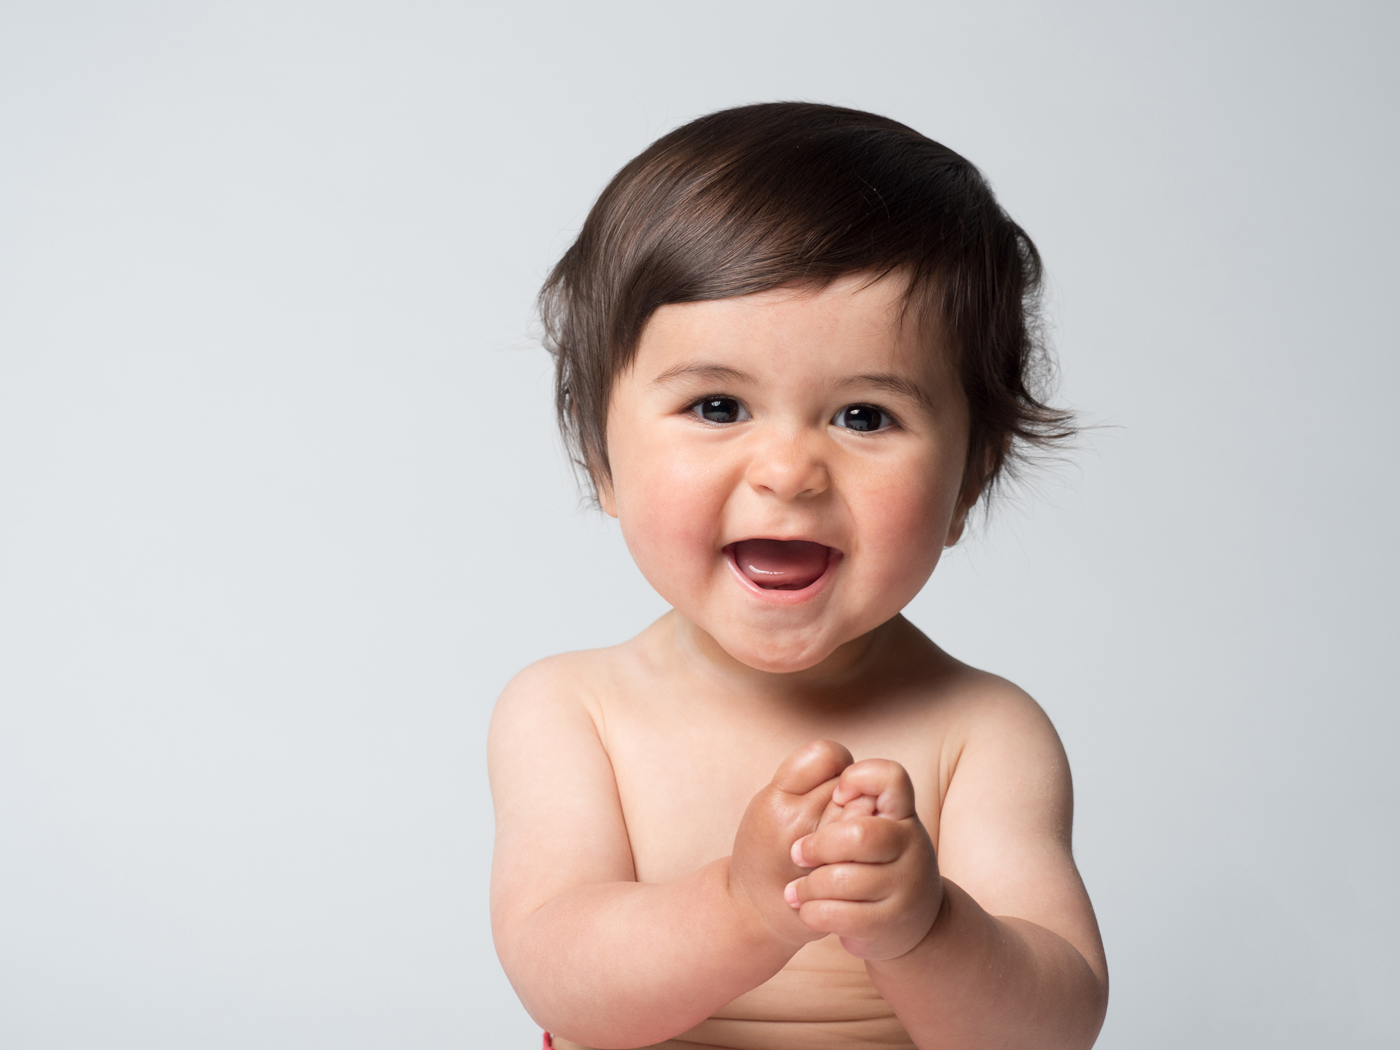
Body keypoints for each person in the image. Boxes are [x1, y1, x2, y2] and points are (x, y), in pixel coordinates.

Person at [488, 102, 1108, 1050]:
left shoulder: (982, 734)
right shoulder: (574, 713)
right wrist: (745, 908)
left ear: (966, 484)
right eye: (717, 404)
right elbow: (564, 985)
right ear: (600, 457)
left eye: (864, 416)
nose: (788, 471)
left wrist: (927, 929)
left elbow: (1050, 1028)